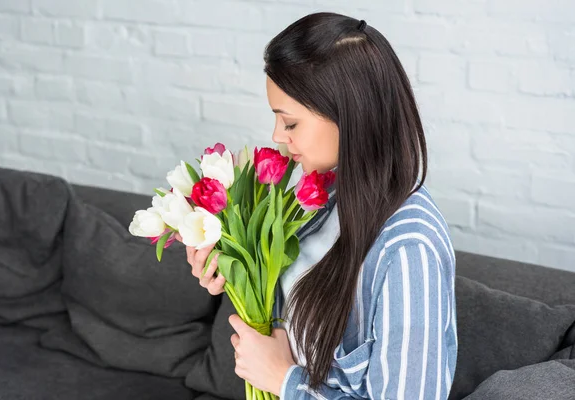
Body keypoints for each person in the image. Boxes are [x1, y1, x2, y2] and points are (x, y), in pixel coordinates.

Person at [175, 11, 457, 399]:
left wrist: (282, 380)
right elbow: (290, 307)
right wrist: (230, 267)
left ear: (351, 116)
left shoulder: (408, 252)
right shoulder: (326, 197)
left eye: (290, 123)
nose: (277, 136)